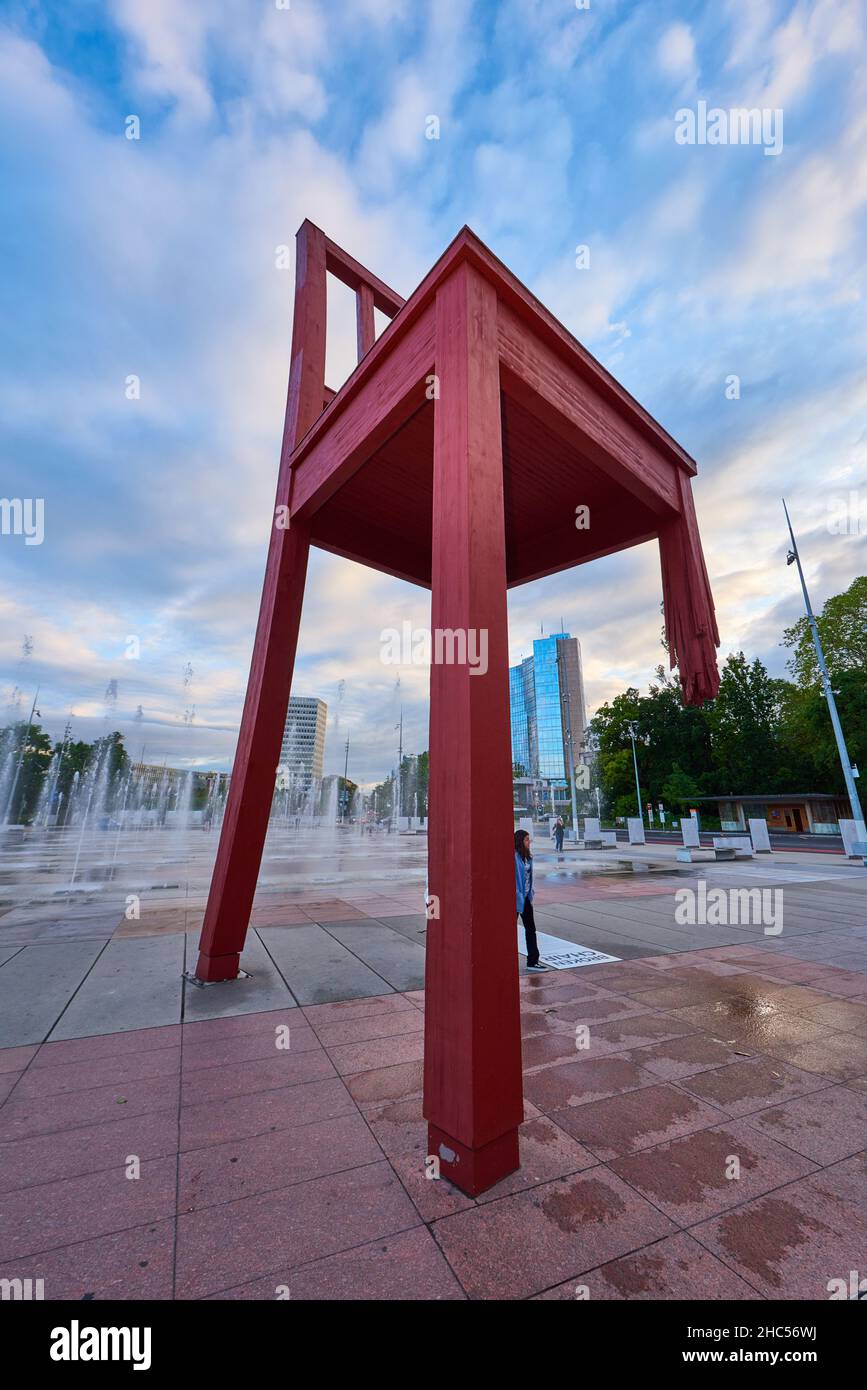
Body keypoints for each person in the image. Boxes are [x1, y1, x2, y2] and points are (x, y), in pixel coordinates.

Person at [515, 829, 546, 972]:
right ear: (520, 841)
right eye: (527, 839)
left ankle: (533, 961)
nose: (529, 842)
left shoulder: (527, 856)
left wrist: (530, 893)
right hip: (515, 899)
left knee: (531, 930)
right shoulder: (514, 857)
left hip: (526, 898)